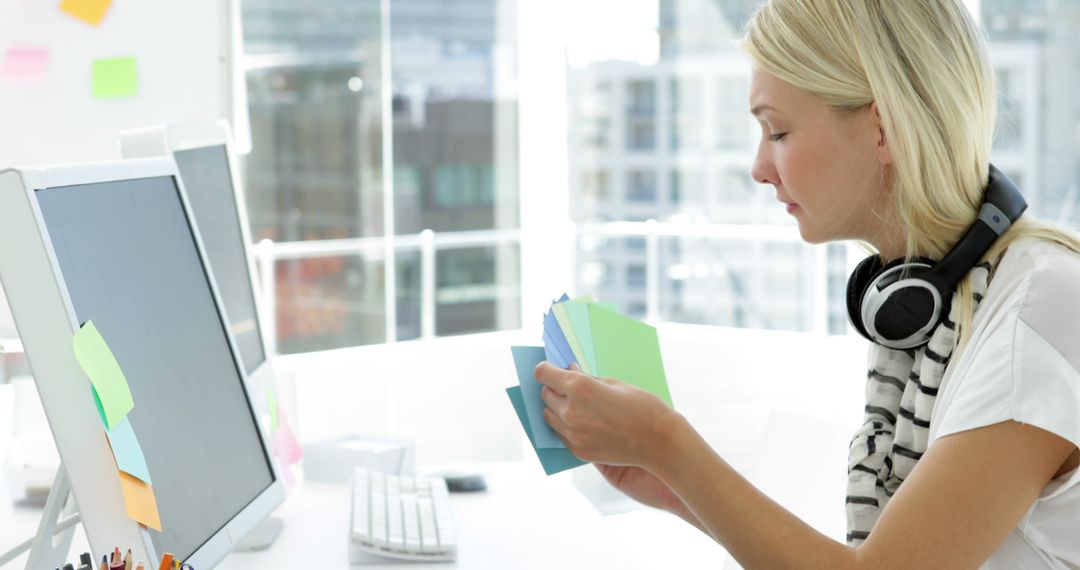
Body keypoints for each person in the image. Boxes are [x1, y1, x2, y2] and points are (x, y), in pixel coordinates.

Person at [534, 0, 1080, 567]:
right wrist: (670, 484)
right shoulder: (944, 306)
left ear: (883, 127)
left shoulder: (1039, 312)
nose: (758, 167)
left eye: (777, 130)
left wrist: (668, 445)